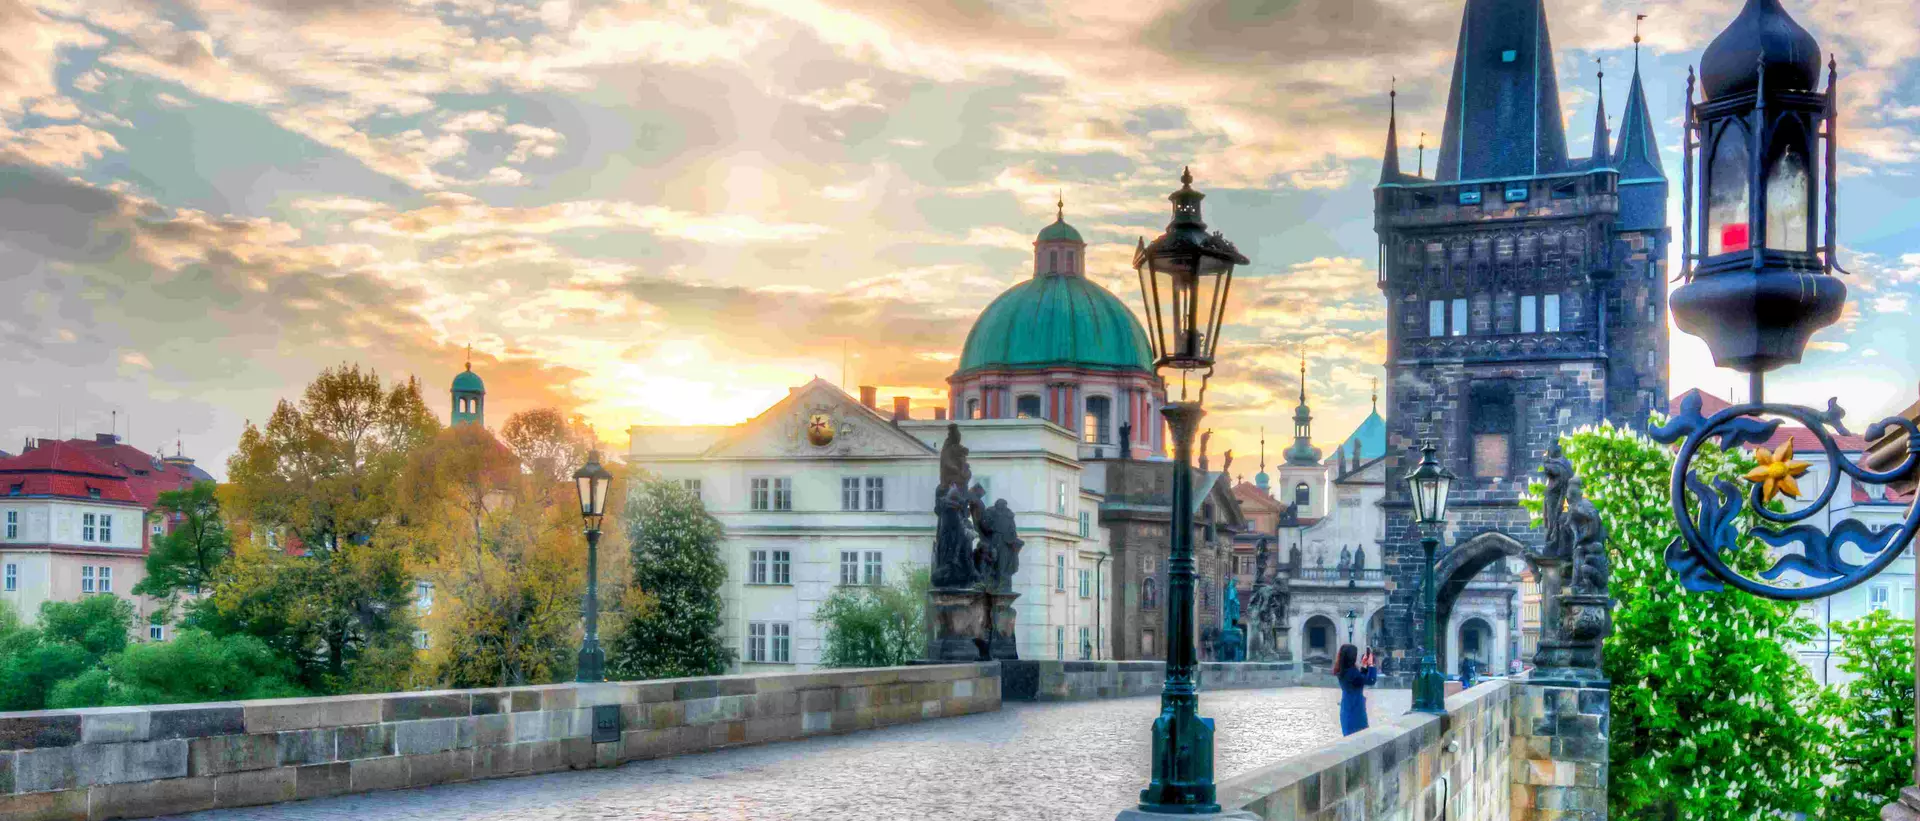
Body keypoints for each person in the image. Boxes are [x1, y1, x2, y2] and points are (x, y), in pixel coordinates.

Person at [1334, 644, 1379, 736]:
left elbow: (1359, 680)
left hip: (1347, 707)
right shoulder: (1352, 672)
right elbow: (1371, 680)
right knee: (1361, 736)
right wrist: (1371, 665)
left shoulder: (1343, 671)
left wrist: (1364, 666)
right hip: (1356, 708)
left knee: (1350, 736)